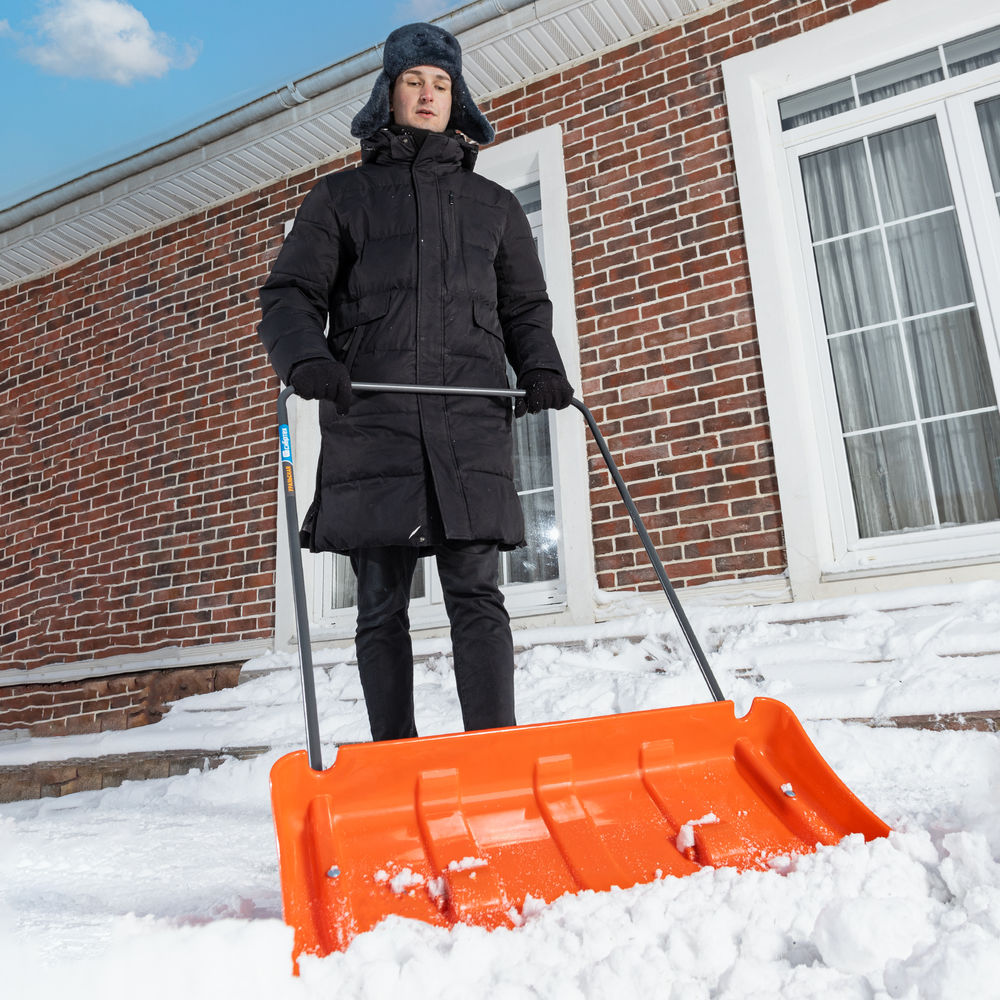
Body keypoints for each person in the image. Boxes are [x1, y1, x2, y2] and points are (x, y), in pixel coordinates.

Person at [257, 22, 573, 742]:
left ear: (456, 98)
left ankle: (493, 752)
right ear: (388, 95)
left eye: (442, 83)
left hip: (466, 419)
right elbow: (290, 296)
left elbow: (524, 305)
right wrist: (306, 359)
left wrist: (542, 367)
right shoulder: (340, 198)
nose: (429, 95)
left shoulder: (493, 207)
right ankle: (395, 758)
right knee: (379, 603)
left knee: (478, 594)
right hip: (374, 419)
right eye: (414, 82)